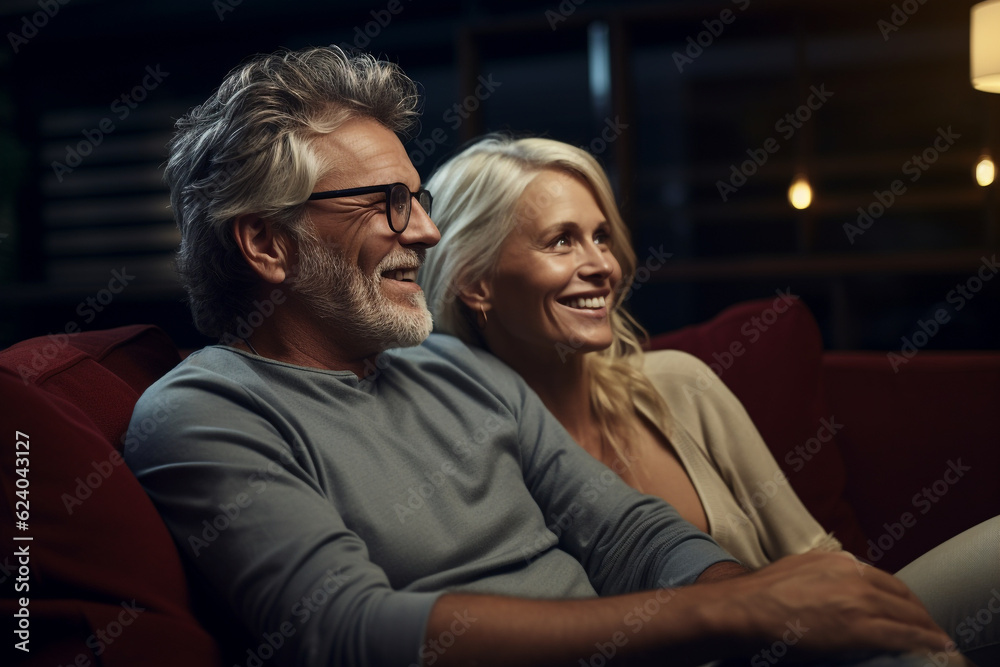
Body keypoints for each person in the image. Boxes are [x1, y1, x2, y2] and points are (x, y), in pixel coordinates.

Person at [125, 45, 965, 667]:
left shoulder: (455, 368)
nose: (424, 229)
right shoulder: (203, 414)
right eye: (387, 203)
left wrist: (752, 605)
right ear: (267, 243)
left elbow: (628, 531)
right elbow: (343, 630)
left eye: (418, 199)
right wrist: (739, 611)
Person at [419, 133, 1000, 663]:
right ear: (475, 283)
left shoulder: (678, 384)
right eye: (561, 241)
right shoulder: (472, 451)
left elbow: (816, 554)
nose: (600, 266)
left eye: (601, 237)